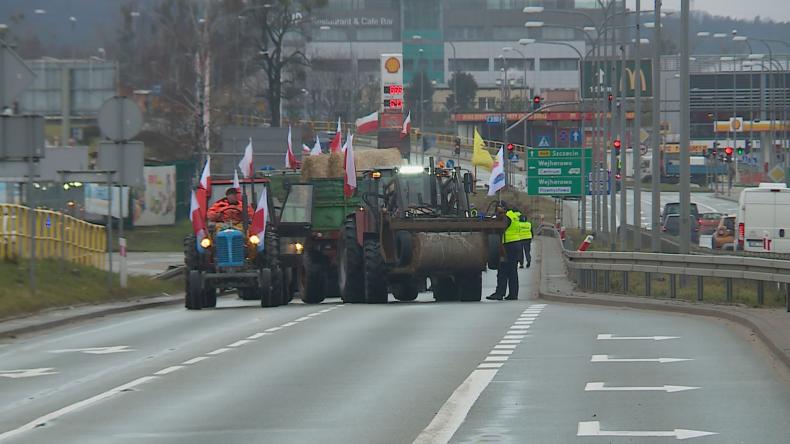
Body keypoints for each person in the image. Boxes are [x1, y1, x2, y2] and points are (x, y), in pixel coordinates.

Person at [487, 202, 525, 301]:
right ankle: (513, 294)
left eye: (498, 208)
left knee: (503, 270)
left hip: (508, 246)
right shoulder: (513, 215)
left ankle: (500, 293)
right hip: (516, 244)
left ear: (503, 208)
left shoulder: (506, 217)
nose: (496, 210)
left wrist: (496, 218)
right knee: (512, 271)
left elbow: (500, 228)